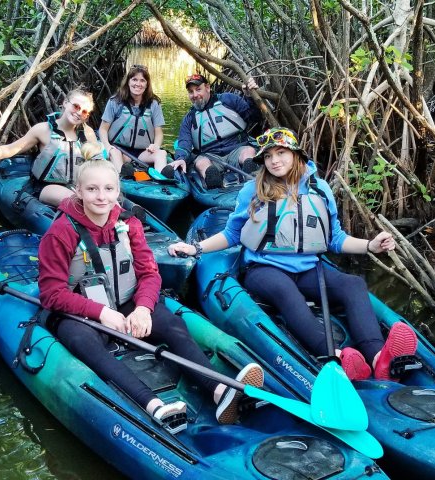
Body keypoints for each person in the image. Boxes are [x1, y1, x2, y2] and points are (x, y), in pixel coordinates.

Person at [168, 127, 418, 381]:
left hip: (308, 269)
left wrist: (370, 246)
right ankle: (338, 357)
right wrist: (196, 248)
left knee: (353, 284)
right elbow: (233, 234)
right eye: (268, 156)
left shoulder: (319, 189)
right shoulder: (252, 191)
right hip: (263, 269)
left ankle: (378, 358)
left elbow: (335, 239)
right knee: (286, 291)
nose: (274, 161)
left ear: (296, 153)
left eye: (281, 153)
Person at [38, 154, 264, 433]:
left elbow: (149, 274)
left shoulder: (129, 224)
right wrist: (102, 313)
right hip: (81, 312)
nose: (101, 197)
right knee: (83, 341)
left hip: (127, 303)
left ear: (118, 191)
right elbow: (51, 294)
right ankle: (153, 405)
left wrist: (143, 308)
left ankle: (218, 389)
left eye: (108, 189)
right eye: (92, 189)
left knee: (172, 324)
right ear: (79, 192)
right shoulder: (61, 231)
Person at [0, 88, 99, 206]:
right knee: (81, 202)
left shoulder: (88, 134)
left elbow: (98, 165)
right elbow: (9, 150)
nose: (79, 113)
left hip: (75, 186)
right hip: (45, 187)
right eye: (76, 106)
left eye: (84, 112)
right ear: (65, 103)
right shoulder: (43, 130)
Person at [170, 74, 261, 189]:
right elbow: (184, 143)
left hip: (237, 149)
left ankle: (253, 184)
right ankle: (214, 183)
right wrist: (181, 158)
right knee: (201, 163)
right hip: (210, 156)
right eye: (191, 92)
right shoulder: (189, 118)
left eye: (198, 89)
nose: (195, 95)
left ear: (207, 88)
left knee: (249, 151)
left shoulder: (228, 99)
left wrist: (250, 97)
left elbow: (254, 116)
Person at [98, 65, 172, 178]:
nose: (138, 84)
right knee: (114, 152)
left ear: (147, 84)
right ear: (128, 82)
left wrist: (156, 145)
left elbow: (159, 132)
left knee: (161, 153)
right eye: (134, 79)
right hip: (120, 151)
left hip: (142, 153)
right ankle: (124, 176)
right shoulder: (115, 101)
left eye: (142, 80)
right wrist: (107, 146)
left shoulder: (154, 104)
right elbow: (103, 129)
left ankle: (162, 179)